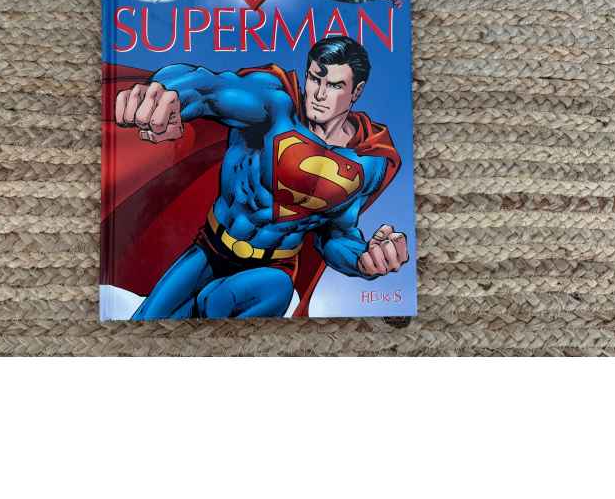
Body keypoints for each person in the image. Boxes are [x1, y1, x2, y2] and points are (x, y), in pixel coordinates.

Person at [115, 35, 408, 319]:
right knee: (146, 324)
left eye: (334, 85)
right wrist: (165, 94)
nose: (319, 94)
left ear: (356, 91)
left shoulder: (365, 162)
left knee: (237, 299)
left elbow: (336, 234)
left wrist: (364, 260)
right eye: (314, 79)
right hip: (209, 250)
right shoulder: (275, 106)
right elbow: (210, 90)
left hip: (270, 273)